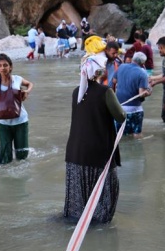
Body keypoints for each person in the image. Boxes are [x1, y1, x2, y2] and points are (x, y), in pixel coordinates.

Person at [64, 45, 126, 223]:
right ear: (100, 71)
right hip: (99, 153)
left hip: (75, 153)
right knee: (106, 195)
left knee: (78, 201)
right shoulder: (106, 92)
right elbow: (121, 116)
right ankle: (99, 232)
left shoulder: (77, 91)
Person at [0, 53, 34, 164]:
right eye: (0, 65)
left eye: (5, 65)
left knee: (22, 155)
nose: (3, 68)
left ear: (10, 67)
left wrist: (27, 92)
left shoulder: (17, 79)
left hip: (21, 120)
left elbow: (30, 84)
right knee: (5, 157)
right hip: (4, 123)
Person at [112, 52, 152, 138]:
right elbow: (142, 94)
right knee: (136, 135)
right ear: (143, 63)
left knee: (119, 136)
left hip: (119, 108)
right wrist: (149, 91)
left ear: (133, 59)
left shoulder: (121, 66)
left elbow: (114, 81)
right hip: (135, 109)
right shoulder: (142, 73)